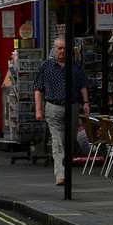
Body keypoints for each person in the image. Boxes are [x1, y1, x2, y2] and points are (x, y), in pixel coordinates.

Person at [34, 37, 91, 186]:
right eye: (59, 48)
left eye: (65, 49)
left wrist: (86, 102)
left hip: (72, 106)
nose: (62, 51)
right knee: (57, 141)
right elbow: (38, 89)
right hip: (53, 107)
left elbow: (83, 85)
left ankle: (66, 170)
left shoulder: (75, 66)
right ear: (54, 49)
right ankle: (60, 175)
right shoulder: (47, 66)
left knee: (70, 140)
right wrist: (39, 110)